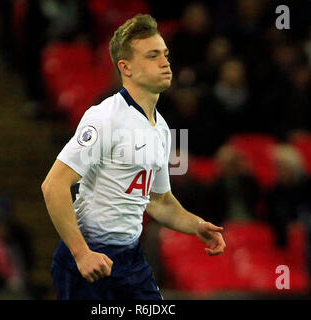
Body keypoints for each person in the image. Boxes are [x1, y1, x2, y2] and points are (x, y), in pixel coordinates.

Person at [41, 14, 226, 300]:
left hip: (130, 260)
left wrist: (197, 225)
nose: (165, 62)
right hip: (91, 258)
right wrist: (82, 254)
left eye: (164, 54)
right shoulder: (105, 117)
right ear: (125, 67)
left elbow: (160, 201)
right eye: (152, 56)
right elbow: (53, 186)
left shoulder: (161, 128)